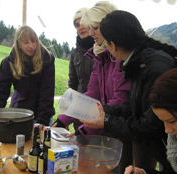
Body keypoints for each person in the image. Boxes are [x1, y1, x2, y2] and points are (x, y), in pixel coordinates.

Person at [81, 10, 177, 171]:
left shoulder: (154, 67)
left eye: (106, 43)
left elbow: (151, 124)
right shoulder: (140, 62)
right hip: (165, 148)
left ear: (112, 45)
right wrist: (104, 112)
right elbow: (136, 107)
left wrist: (106, 121)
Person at [54, 2, 130, 136]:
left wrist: (84, 130)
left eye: (94, 27)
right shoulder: (100, 57)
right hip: (107, 125)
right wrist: (63, 119)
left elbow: (121, 101)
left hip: (125, 128)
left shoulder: (119, 56)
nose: (90, 32)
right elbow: (91, 95)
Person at [0, 25, 55, 126]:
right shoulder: (8, 62)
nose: (31, 46)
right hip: (18, 115)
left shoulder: (47, 60)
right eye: (26, 42)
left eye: (33, 41)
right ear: (18, 44)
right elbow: (0, 93)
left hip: (42, 116)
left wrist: (42, 121)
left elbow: (47, 93)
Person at [69, 7, 95, 131]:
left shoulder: (102, 49)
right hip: (80, 110)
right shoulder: (74, 54)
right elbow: (72, 84)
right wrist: (69, 112)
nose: (80, 27)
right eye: (77, 25)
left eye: (83, 23)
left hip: (102, 110)